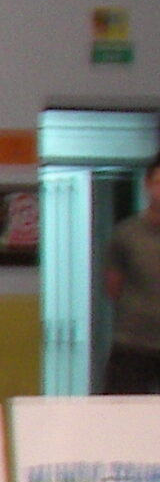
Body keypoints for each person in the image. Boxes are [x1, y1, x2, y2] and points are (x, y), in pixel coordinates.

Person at [102, 152, 160, 395]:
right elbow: (113, 287)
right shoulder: (126, 234)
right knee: (122, 409)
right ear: (147, 184)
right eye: (158, 183)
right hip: (133, 343)